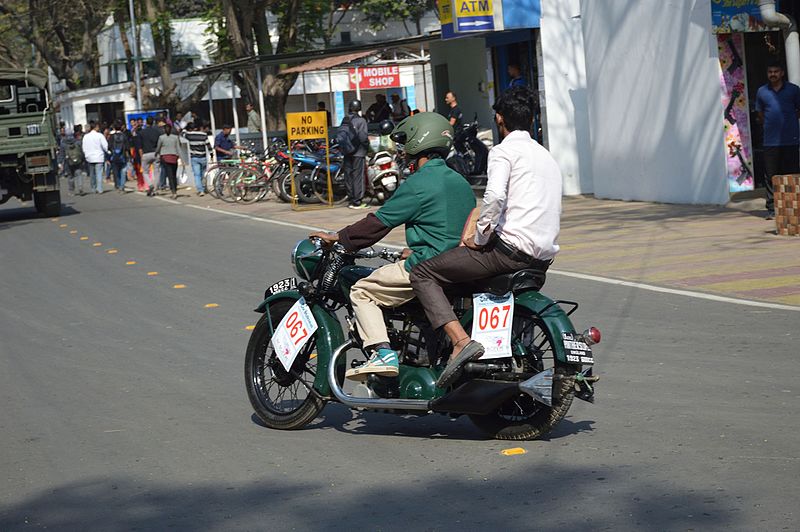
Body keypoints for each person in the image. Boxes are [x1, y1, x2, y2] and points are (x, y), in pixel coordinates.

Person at [410, 86, 562, 388]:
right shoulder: (546, 157)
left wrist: (479, 238)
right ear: (531, 120)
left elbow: (493, 198)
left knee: (423, 272)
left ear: (499, 118)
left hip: (507, 252)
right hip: (542, 257)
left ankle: (460, 342)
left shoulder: (503, 151)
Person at [309, 112, 475, 381]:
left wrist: (339, 238)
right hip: (457, 264)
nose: (402, 152)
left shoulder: (419, 183)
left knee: (362, 291)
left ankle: (382, 353)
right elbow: (446, 227)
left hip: (426, 266)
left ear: (417, 142)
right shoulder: (460, 182)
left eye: (405, 143)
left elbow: (378, 224)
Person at [755, 60, 800, 220]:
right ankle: (772, 209)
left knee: (792, 175)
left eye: (776, 71)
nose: (772, 74)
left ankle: (793, 207)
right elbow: (760, 114)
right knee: (771, 175)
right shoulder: (762, 91)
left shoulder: (794, 90)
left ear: (782, 73)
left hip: (791, 139)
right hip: (770, 141)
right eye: (770, 72)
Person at [341, 100, 369, 209]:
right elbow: (363, 137)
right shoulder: (361, 121)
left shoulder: (345, 119)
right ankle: (358, 201)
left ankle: (351, 199)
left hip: (347, 152)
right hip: (358, 152)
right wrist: (367, 146)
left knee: (349, 176)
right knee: (358, 176)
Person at [182, 122, 212, 196]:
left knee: (197, 175)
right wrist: (211, 154)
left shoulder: (188, 135)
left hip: (194, 158)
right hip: (203, 157)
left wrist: (186, 129)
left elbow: (182, 133)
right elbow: (208, 145)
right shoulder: (204, 135)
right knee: (203, 174)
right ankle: (204, 187)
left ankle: (200, 190)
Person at [155, 123, 181, 199]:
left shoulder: (161, 138)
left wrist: (156, 153)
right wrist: (181, 158)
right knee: (173, 174)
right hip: (174, 157)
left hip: (165, 158)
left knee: (170, 175)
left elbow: (158, 147)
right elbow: (179, 148)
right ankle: (174, 189)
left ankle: (173, 191)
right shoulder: (175, 137)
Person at [82, 121, 108, 194]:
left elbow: (84, 147)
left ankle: (93, 188)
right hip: (99, 157)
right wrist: (107, 151)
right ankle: (99, 188)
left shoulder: (86, 136)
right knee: (99, 173)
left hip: (89, 158)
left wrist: (86, 155)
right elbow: (105, 146)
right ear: (96, 127)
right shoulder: (100, 135)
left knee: (92, 174)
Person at [139, 117, 163, 196]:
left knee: (145, 172)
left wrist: (141, 155)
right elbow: (160, 143)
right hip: (156, 153)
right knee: (157, 171)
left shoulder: (142, 132)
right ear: (153, 122)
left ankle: (150, 185)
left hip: (146, 153)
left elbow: (140, 146)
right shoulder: (157, 132)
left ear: (146, 123)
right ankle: (155, 188)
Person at [63, 128, 85, 196]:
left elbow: (61, 153)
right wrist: (83, 159)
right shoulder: (77, 141)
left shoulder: (63, 143)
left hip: (68, 162)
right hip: (78, 161)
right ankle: (80, 188)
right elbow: (81, 151)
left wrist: (60, 162)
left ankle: (71, 191)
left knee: (70, 176)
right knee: (79, 174)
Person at [108, 120, 129, 192]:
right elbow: (127, 147)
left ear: (114, 128)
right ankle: (122, 186)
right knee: (123, 171)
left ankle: (118, 184)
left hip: (114, 156)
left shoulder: (112, 136)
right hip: (123, 156)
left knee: (116, 171)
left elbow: (109, 147)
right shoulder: (124, 136)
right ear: (121, 127)